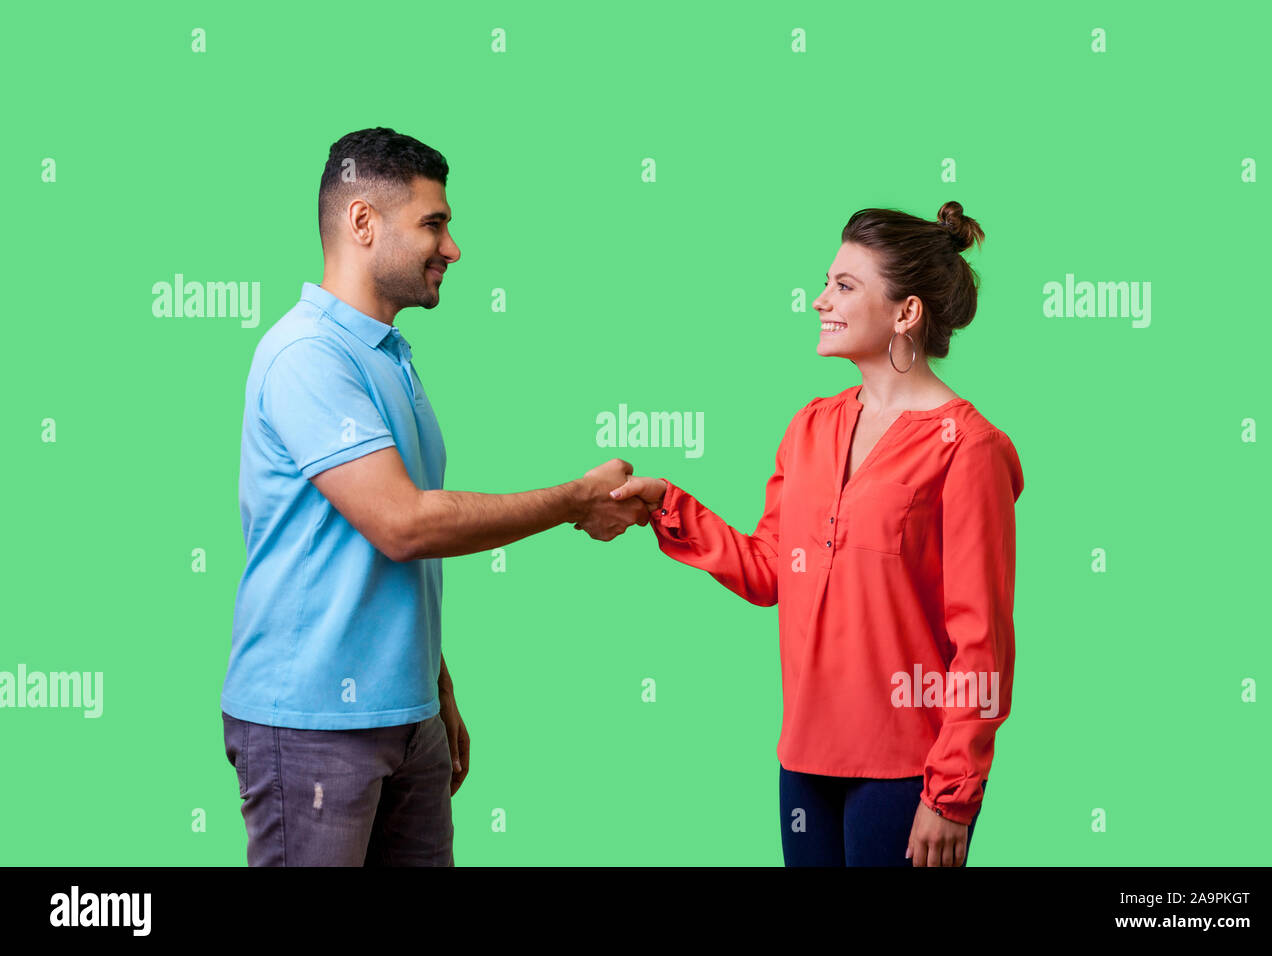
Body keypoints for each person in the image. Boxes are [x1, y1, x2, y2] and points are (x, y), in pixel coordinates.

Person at [220, 127, 650, 866]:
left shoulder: (387, 357)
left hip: (405, 714)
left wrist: (433, 683)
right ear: (363, 223)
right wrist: (577, 500)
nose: (453, 248)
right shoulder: (306, 357)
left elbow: (375, 559)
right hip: (314, 721)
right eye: (434, 223)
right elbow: (403, 525)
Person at [609, 202, 1025, 867]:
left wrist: (951, 794)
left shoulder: (968, 449)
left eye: (844, 286)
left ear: (905, 313)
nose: (818, 299)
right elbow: (772, 570)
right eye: (828, 281)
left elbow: (983, 645)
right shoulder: (810, 428)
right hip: (803, 761)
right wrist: (666, 504)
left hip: (908, 772)